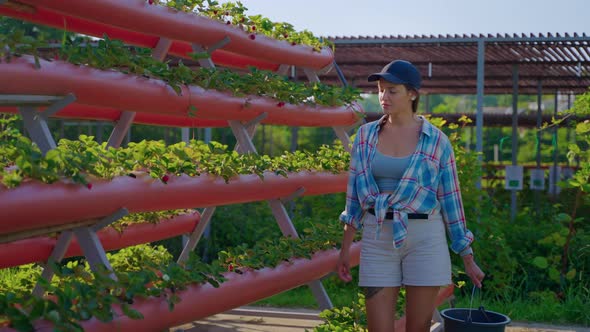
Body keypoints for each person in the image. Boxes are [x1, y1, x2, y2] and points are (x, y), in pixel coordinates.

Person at [336, 59, 485, 332]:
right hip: (377, 234)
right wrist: (345, 248)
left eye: (392, 90)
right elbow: (353, 199)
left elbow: (451, 201)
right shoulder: (365, 136)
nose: (383, 96)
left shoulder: (436, 140)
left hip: (425, 238)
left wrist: (467, 256)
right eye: (381, 90)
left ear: (412, 94)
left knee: (417, 328)